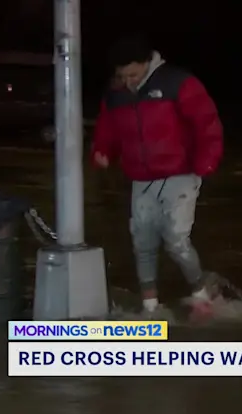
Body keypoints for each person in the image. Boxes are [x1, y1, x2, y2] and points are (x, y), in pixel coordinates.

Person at [91, 35, 224, 316]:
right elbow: (108, 128)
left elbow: (207, 122)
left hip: (181, 174)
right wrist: (103, 151)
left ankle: (202, 293)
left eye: (134, 75)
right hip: (141, 178)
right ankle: (150, 306)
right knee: (143, 242)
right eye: (122, 76)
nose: (129, 82)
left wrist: (206, 163)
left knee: (176, 240)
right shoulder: (116, 93)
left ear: (146, 63)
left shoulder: (177, 83)